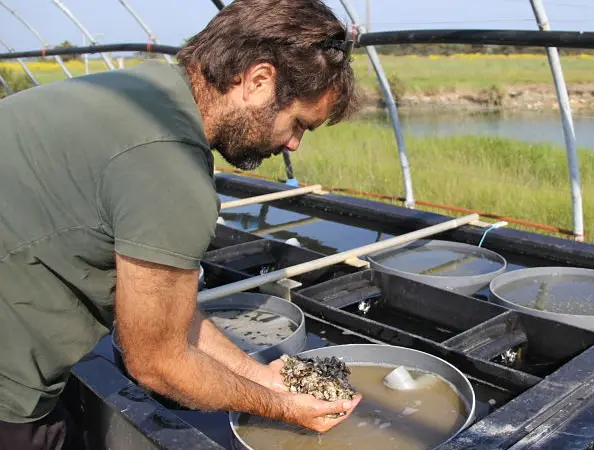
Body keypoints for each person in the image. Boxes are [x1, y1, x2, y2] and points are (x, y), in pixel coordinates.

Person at [0, 0, 362, 448]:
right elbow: (157, 363)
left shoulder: (142, 87)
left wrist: (260, 376)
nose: (292, 143)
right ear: (259, 81)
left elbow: (169, 316)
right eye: (298, 124)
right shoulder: (170, 169)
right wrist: (285, 408)